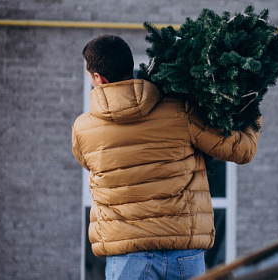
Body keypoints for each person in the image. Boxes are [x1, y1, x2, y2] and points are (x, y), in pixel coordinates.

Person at [72, 34, 261, 280]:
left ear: (98, 78)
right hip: (183, 251)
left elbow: (89, 163)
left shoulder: (84, 130)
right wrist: (251, 105)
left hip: (128, 256)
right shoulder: (178, 111)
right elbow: (241, 150)